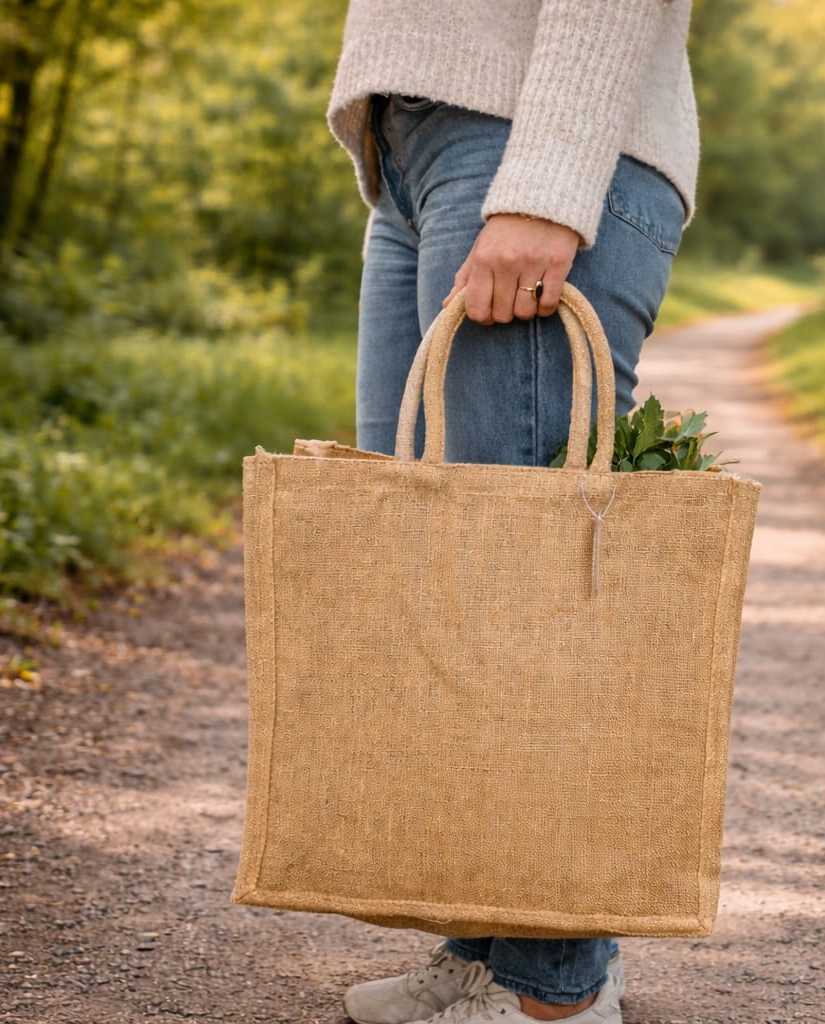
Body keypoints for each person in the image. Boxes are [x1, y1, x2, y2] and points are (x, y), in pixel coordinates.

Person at [326, 3, 699, 1024]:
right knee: (443, 586)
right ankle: (488, 945)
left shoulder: (536, 171)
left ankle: (555, 991)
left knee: (524, 592)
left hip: (526, 148)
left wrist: (545, 184)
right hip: (417, 157)